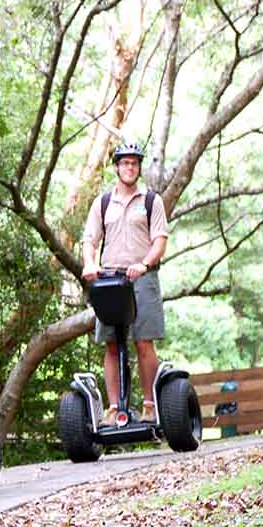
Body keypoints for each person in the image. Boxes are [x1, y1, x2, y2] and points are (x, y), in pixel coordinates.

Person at [81, 141, 169, 426]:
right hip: (110, 280)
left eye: (134, 163)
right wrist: (90, 264)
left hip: (142, 277)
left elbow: (160, 240)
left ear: (139, 167)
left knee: (143, 342)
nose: (129, 167)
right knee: (111, 343)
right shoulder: (103, 202)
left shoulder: (151, 200)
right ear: (116, 167)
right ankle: (113, 408)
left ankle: (149, 404)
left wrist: (143, 264)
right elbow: (90, 240)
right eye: (124, 163)